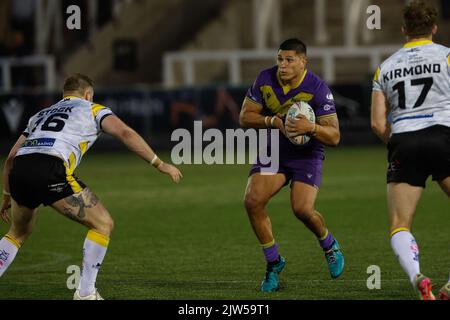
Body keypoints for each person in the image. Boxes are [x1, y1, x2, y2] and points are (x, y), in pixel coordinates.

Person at [0, 74, 183, 300]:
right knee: (103, 224)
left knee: (17, 233)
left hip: (20, 169)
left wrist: (7, 195)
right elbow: (124, 132)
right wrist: (159, 163)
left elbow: (10, 159)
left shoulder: (39, 115)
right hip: (51, 167)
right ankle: (86, 293)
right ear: (88, 94)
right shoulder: (93, 109)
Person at [239, 38, 344, 292]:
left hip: (307, 153)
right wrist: (273, 122)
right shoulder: (265, 79)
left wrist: (312, 127)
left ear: (303, 62)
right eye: (279, 59)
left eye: (289, 60)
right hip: (276, 149)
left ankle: (328, 243)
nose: (282, 66)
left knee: (302, 209)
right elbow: (245, 116)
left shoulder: (317, 89)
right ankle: (274, 263)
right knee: (252, 201)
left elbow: (335, 136)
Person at [371, 0, 449, 300]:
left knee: (399, 224)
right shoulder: (447, 57)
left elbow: (378, 124)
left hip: (404, 139)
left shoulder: (385, 68)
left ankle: (417, 276)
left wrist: (400, 142)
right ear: (434, 28)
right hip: (444, 136)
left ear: (404, 30)